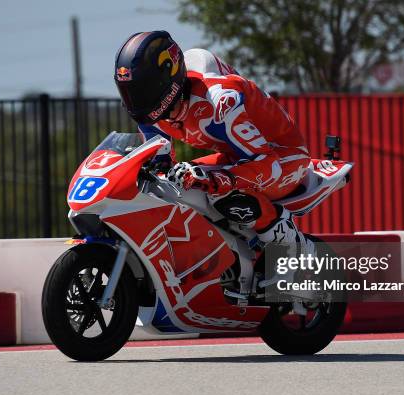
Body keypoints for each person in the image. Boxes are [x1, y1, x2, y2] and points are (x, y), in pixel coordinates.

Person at [114, 30, 314, 254]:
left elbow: (270, 165)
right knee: (172, 184)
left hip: (283, 156)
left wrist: (218, 178)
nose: (135, 100)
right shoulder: (154, 115)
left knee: (223, 194)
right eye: (128, 92)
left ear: (166, 79)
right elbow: (161, 166)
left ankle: (295, 247)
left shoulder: (219, 102)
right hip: (239, 156)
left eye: (141, 91)